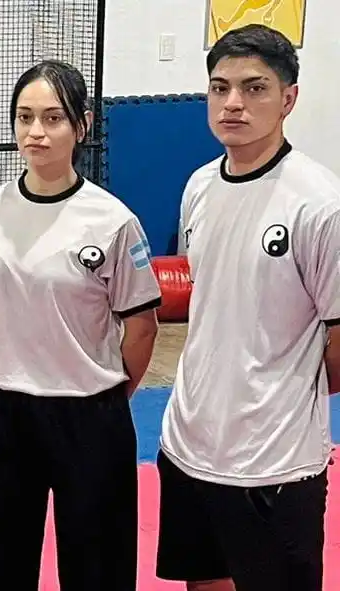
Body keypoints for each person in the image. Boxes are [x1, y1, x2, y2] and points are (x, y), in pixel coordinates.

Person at [0, 59, 162, 591]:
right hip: (1, 412)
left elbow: (141, 329)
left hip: (89, 417)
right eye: (24, 117)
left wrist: (103, 394)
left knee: (99, 566)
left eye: (52, 118)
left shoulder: (113, 220)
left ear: (82, 125)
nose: (36, 133)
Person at [157, 24, 340, 591]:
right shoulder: (198, 186)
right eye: (220, 87)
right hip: (189, 442)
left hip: (274, 460)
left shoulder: (320, 204)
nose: (233, 103)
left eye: (254, 88)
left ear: (289, 98)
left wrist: (282, 393)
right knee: (203, 583)